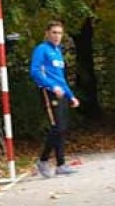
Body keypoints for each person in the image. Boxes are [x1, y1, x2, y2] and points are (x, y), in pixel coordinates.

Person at [30, 20, 79, 177]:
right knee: (56, 127)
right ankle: (43, 161)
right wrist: (51, 86)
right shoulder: (42, 49)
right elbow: (35, 71)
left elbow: (61, 78)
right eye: (54, 32)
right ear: (47, 33)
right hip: (49, 92)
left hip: (61, 92)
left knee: (62, 129)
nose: (57, 36)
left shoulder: (58, 52)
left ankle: (61, 164)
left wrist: (71, 96)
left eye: (60, 33)